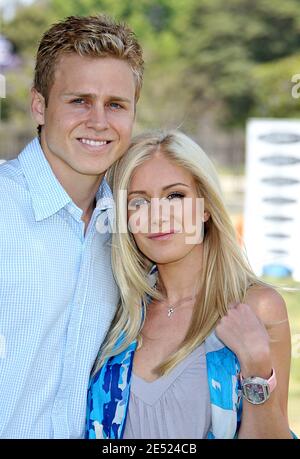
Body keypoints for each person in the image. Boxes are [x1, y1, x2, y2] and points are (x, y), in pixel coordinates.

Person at [86, 130, 295, 439]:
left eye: (175, 196)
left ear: (206, 206)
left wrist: (257, 366)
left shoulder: (257, 307)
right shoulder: (119, 313)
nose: (158, 215)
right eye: (139, 202)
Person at [0, 15, 143, 438]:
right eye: (79, 100)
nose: (99, 121)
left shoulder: (132, 228)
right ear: (39, 105)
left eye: (116, 105)